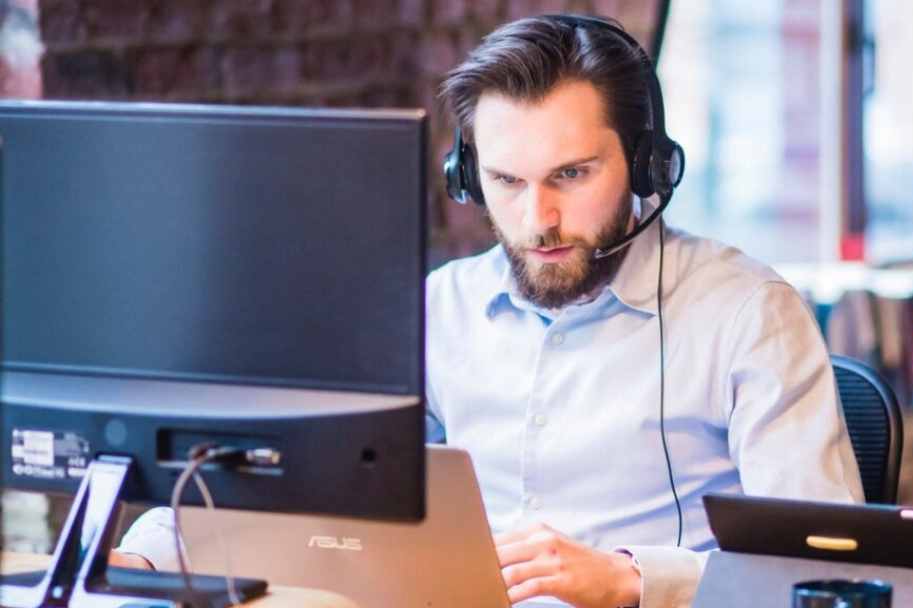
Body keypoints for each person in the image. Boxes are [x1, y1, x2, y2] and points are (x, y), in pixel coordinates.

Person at [115, 14, 863, 608]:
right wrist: (155, 544)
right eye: (506, 180)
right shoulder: (441, 310)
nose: (537, 218)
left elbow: (823, 571)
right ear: (468, 177)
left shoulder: (749, 315)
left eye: (571, 175)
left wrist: (634, 581)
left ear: (646, 164)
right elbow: (308, 483)